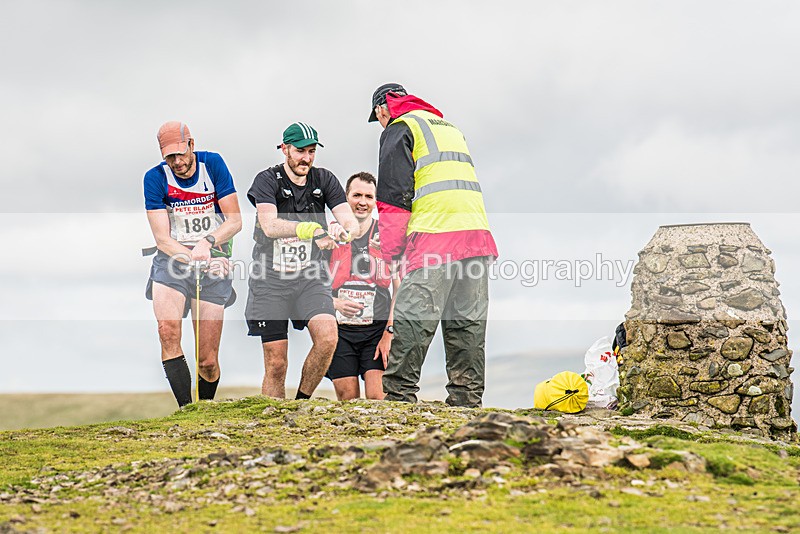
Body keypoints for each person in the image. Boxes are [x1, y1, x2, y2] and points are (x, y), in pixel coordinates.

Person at [368, 83, 499, 408]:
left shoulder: (400, 128)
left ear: (383, 108)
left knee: (414, 317)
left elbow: (393, 198)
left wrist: (392, 252)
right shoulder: (447, 127)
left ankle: (398, 398)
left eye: (378, 118)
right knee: (466, 324)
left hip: (435, 235)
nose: (381, 124)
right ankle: (466, 403)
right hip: (476, 237)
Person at [245, 122, 358, 399]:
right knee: (276, 362)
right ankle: (272, 419)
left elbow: (350, 222)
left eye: (311, 151)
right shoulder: (267, 180)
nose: (306, 158)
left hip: (310, 277)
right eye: (299, 151)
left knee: (328, 338)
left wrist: (343, 232)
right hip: (270, 278)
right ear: (284, 149)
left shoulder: (325, 179)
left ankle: (300, 403)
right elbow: (270, 226)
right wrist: (310, 229)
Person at [143, 121, 242, 407]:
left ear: (191, 145)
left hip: (213, 259)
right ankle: (186, 410)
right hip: (172, 260)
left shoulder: (213, 165)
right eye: (169, 157)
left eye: (180, 154)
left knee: (207, 360)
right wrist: (191, 256)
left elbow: (235, 221)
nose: (177, 162)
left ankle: (206, 406)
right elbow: (162, 239)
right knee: (167, 331)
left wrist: (208, 245)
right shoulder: (155, 178)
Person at [326, 172, 400, 400]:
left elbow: (400, 287)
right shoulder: (328, 234)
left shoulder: (387, 234)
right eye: (356, 195)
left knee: (378, 399)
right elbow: (309, 285)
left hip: (376, 331)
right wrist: (334, 303)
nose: (362, 202)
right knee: (348, 401)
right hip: (340, 332)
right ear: (345, 197)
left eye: (369, 196)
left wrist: (389, 332)